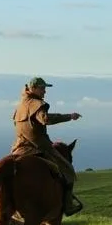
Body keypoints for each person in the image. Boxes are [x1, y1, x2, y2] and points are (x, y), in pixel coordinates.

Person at [10, 76, 84, 216]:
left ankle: (14, 210)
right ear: (33, 88)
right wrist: (69, 116)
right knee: (68, 171)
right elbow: (46, 119)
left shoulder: (19, 107)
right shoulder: (37, 104)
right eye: (42, 88)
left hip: (19, 147)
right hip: (38, 147)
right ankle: (68, 205)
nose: (45, 91)